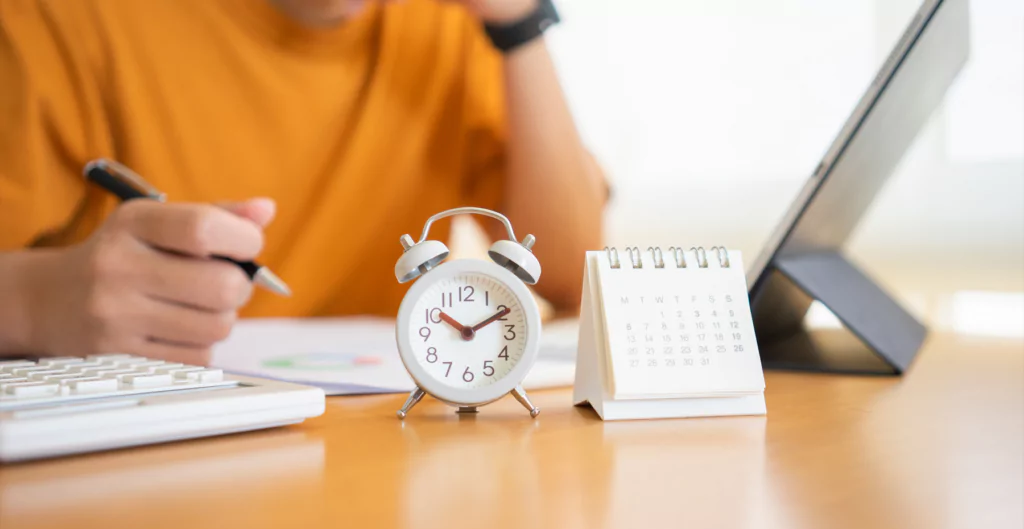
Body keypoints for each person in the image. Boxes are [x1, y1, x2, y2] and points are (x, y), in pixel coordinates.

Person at [0, 0, 605, 363]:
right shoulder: (60, 19)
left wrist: (519, 23)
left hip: (363, 451)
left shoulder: (446, 25)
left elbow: (567, 271)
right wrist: (32, 303)